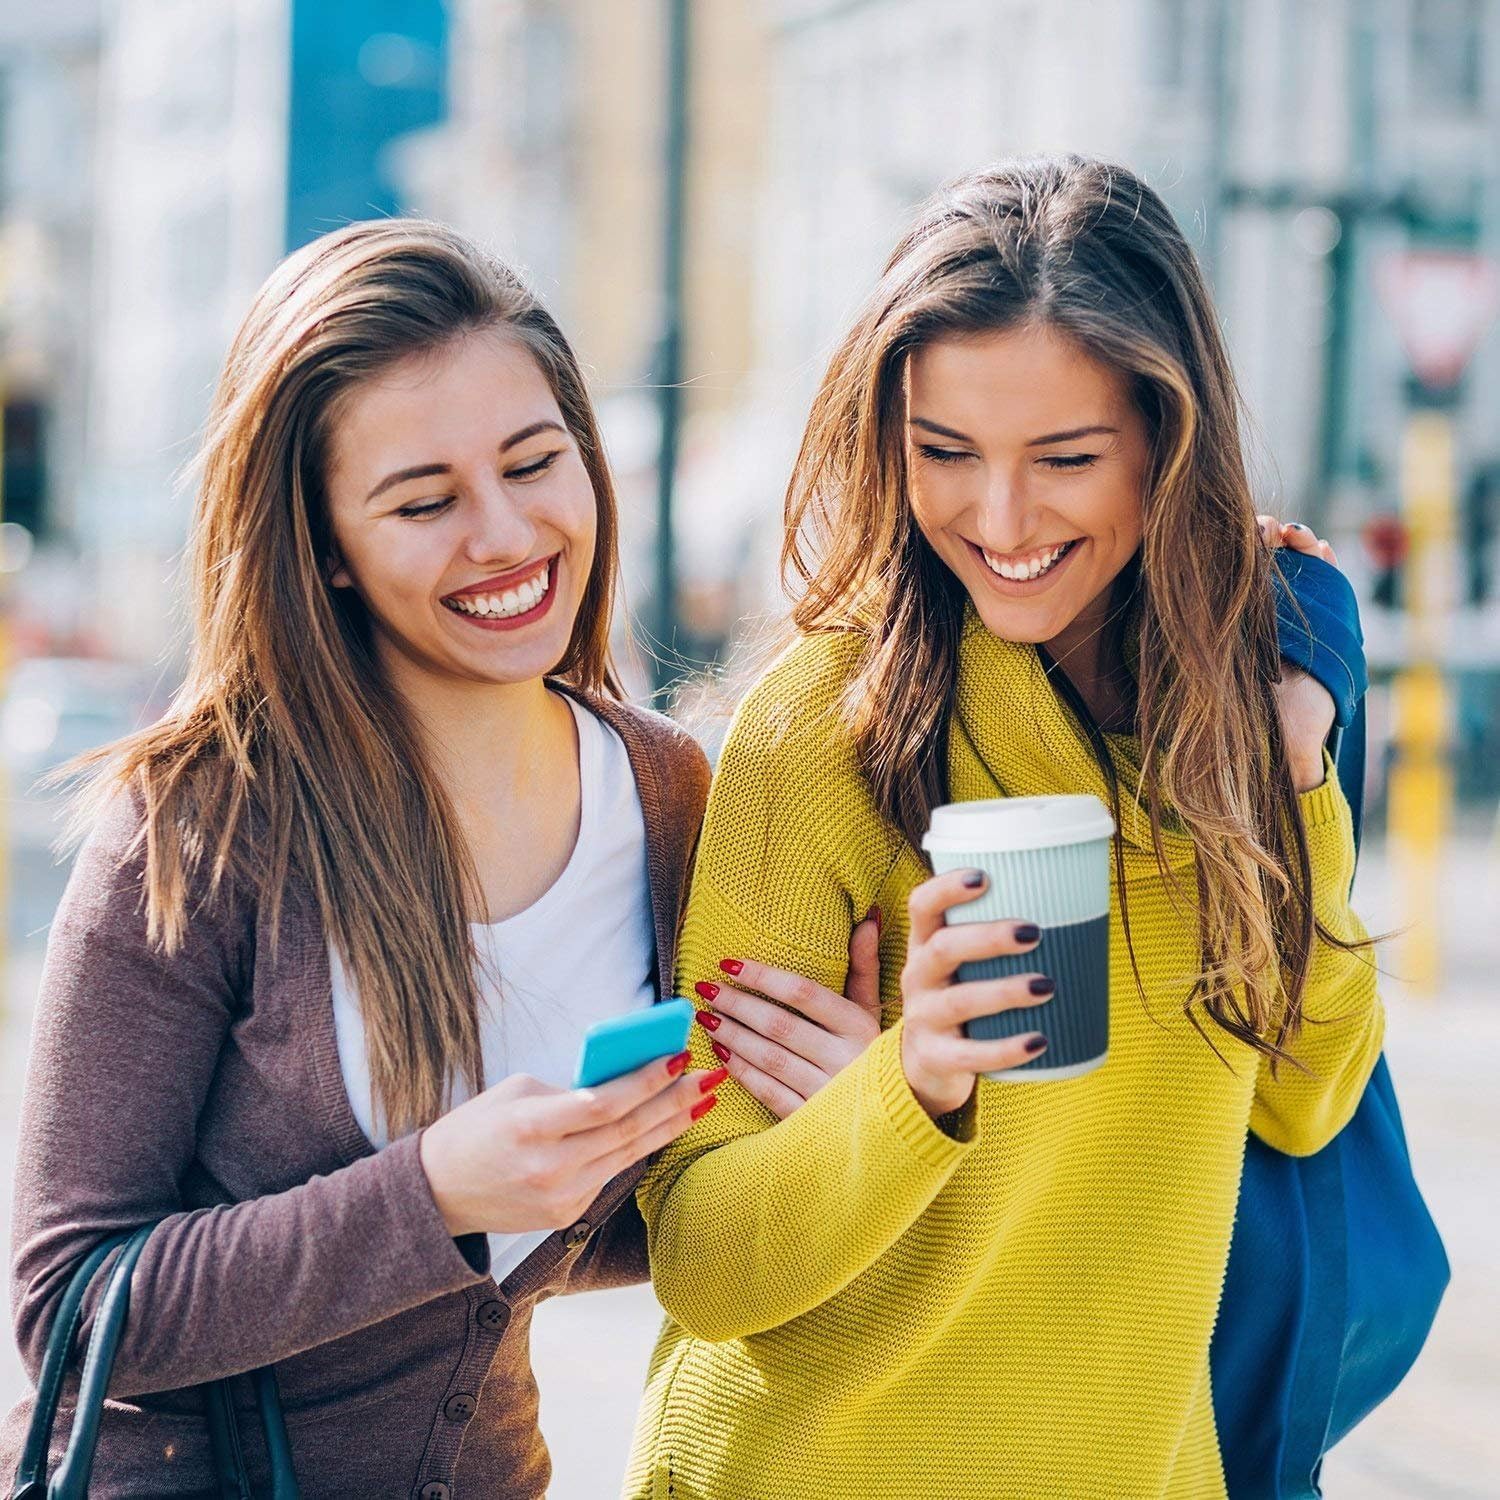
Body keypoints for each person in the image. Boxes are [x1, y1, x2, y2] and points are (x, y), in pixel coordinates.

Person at [0, 219, 873, 1498]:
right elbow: (68, 1313)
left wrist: (819, 1114)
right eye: (424, 502)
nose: (505, 534)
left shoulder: (667, 790)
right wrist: (428, 1195)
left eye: (535, 464)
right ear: (324, 546)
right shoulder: (202, 826)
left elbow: (604, 1234)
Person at [625, 157, 1381, 1498]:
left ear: (1167, 436)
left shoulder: (1240, 720)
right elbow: (702, 1260)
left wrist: (1294, 770)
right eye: (945, 453)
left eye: (1067, 459)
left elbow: (1310, 1095)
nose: (1004, 519)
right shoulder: (821, 729)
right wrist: (908, 1079)